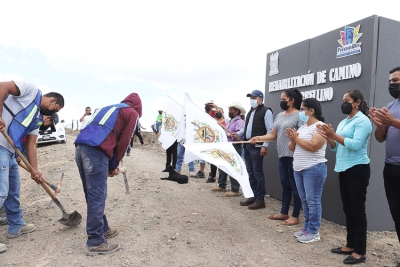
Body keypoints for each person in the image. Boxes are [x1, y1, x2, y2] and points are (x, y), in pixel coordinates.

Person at [0, 81, 64, 253]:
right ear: (52, 101)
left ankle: (16, 225)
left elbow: (31, 144)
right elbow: (2, 87)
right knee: (1, 192)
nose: (53, 112)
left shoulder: (36, 118)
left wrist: (35, 170)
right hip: (0, 145)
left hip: (10, 151)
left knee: (13, 190)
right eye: (55, 109)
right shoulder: (30, 91)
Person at [74, 93, 141, 256]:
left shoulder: (107, 109)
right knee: (97, 195)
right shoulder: (132, 113)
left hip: (80, 147)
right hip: (97, 152)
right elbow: (124, 142)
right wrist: (113, 165)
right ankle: (95, 241)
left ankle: (103, 228)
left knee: (91, 194)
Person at [316, 90, 371, 265]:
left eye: (347, 100)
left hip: (358, 169)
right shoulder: (343, 122)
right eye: (343, 100)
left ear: (357, 102)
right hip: (344, 168)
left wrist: (334, 136)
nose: (343, 103)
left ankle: (360, 251)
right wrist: (329, 137)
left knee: (357, 210)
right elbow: (335, 147)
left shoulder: (363, 121)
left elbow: (355, 145)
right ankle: (350, 244)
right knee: (348, 208)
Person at [250, 89, 303, 224]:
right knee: (285, 184)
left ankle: (295, 215)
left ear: (292, 100)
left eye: (284, 99)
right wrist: (259, 138)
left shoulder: (300, 116)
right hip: (282, 155)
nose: (281, 101)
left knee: (294, 186)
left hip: (294, 156)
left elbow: (301, 137)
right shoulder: (280, 115)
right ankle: (284, 212)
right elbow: (273, 135)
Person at [369, 67, 400, 267]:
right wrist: (380, 124)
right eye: (390, 80)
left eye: (396, 80)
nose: (392, 84)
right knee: (397, 214)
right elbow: (380, 139)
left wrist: (393, 121)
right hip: (391, 168)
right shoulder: (391, 105)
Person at [286, 98, 327, 243]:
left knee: (313, 200)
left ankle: (313, 231)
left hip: (313, 168)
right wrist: (292, 139)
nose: (301, 112)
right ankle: (307, 227)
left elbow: (313, 146)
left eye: (303, 109)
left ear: (311, 111)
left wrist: (296, 139)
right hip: (299, 168)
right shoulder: (303, 127)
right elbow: (292, 148)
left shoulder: (320, 126)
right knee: (304, 200)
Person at [232, 90, 273, 210]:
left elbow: (270, 130)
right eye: (251, 98)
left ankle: (260, 199)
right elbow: (245, 128)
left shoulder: (267, 112)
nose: (252, 100)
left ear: (261, 99)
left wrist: (265, 145)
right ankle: (253, 196)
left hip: (258, 146)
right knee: (250, 173)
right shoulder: (250, 112)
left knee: (258, 173)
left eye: (254, 98)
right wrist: (237, 134)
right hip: (248, 145)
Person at [212, 102, 246, 197]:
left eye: (231, 110)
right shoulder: (231, 121)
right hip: (228, 145)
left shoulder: (240, 122)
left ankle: (235, 189)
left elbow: (239, 135)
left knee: (233, 166)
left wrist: (228, 134)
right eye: (229, 110)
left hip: (235, 146)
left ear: (237, 111)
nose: (229, 112)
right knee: (224, 165)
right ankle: (222, 185)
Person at [193, 100, 217, 179]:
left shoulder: (215, 114)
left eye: (209, 105)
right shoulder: (202, 114)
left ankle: (212, 173)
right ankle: (201, 171)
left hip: (211, 138)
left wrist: (215, 107)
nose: (208, 106)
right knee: (202, 154)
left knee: (211, 155)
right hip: (203, 137)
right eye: (207, 105)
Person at [206, 106, 227, 183]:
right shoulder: (213, 121)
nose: (218, 112)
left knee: (223, 161)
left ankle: (223, 179)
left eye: (220, 111)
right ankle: (212, 176)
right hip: (214, 143)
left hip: (224, 144)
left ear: (223, 113)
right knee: (213, 160)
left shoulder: (227, 121)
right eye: (217, 111)